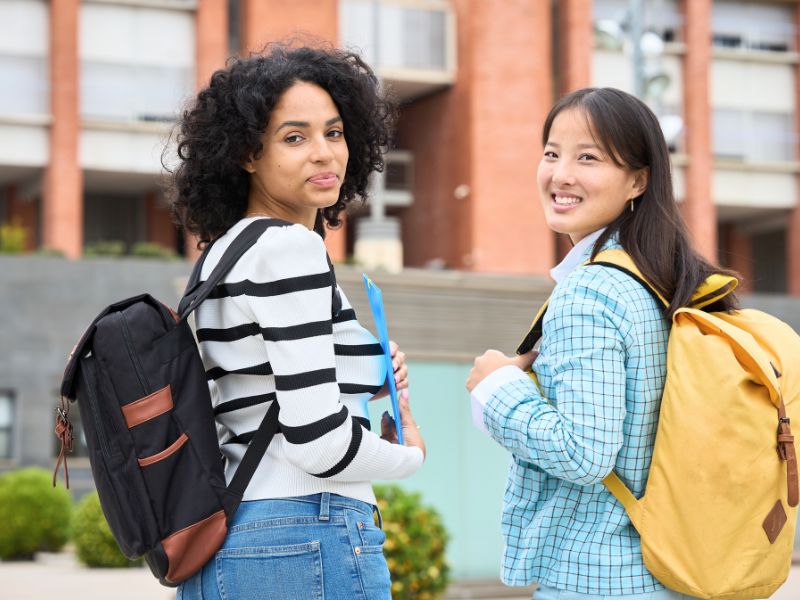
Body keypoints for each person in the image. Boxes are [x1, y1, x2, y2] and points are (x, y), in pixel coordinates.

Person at [168, 43, 426, 600]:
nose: (324, 153)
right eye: (294, 137)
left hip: (233, 537)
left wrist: (370, 370)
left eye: (334, 133)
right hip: (306, 530)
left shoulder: (220, 256)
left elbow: (253, 396)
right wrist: (409, 457)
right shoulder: (290, 249)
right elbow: (317, 443)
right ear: (247, 154)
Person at [466, 87, 737, 600]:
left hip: (599, 575)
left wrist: (495, 386)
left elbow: (584, 454)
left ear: (638, 179)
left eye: (587, 157)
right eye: (551, 153)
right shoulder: (666, 283)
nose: (561, 174)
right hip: (675, 568)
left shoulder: (591, 291)